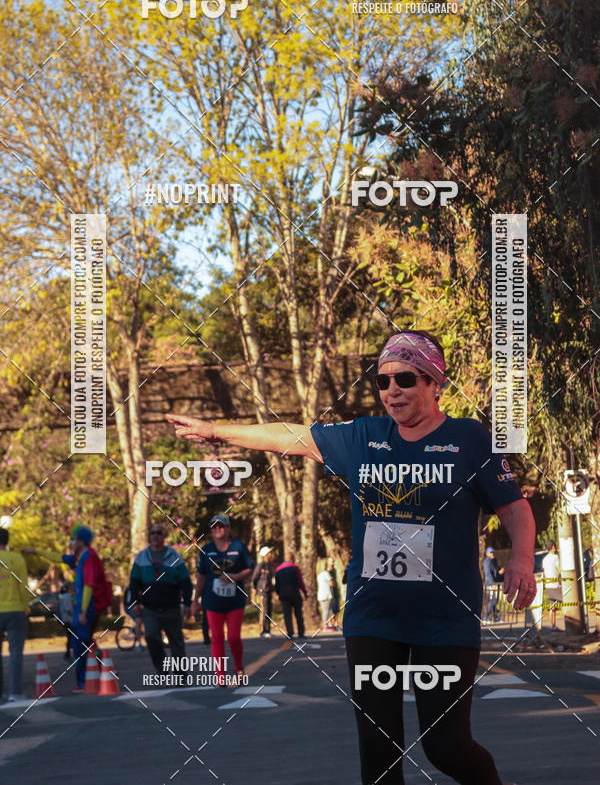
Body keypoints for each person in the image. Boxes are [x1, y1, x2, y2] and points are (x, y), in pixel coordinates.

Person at [168, 329, 535, 785]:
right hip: (372, 618)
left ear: (435, 383)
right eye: (383, 381)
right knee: (379, 756)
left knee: (446, 747)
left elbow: (514, 508)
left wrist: (521, 559)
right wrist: (215, 430)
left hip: (444, 620)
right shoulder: (363, 436)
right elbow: (289, 436)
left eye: (405, 378)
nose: (392, 390)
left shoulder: (470, 439)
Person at [30, 525, 112, 692]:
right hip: (85, 605)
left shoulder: (88, 557)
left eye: (73, 539)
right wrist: (36, 551)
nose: (71, 543)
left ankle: (84, 681)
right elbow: (58, 557)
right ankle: (104, 669)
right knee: (86, 641)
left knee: (79, 642)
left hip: (88, 605)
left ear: (81, 541)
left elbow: (89, 585)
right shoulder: (79, 557)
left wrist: (83, 611)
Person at [192, 514, 253, 685]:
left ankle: (239, 669)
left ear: (228, 528)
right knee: (217, 638)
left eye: (221, 526)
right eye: (214, 527)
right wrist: (195, 601)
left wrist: (235, 576)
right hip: (212, 601)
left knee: (233, 637)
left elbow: (250, 569)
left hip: (235, 601)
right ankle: (220, 676)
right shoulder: (206, 549)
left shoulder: (238, 546)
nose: (217, 529)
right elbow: (201, 577)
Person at [129, 523, 193, 674]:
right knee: (151, 638)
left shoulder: (174, 556)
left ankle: (180, 674)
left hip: (172, 606)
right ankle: (162, 669)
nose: (155, 536)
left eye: (159, 533)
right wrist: (134, 602)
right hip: (150, 608)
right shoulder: (141, 557)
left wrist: (188, 603)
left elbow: (185, 581)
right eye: (153, 533)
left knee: (176, 642)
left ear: (164, 536)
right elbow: (134, 582)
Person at [0, 527, 29, 701]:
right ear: (7, 541)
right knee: (16, 653)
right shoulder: (17, 559)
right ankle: (15, 692)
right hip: (16, 610)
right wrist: (25, 608)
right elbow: (23, 587)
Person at [274, 553, 307, 640]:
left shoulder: (278, 569)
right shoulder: (295, 568)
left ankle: (290, 633)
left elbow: (277, 584)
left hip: (284, 594)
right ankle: (301, 632)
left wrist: (278, 593)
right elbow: (300, 581)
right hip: (294, 593)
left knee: (287, 614)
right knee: (298, 613)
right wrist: (304, 592)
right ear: (292, 558)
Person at [252, 547, 275, 637]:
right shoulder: (260, 565)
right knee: (263, 610)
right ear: (265, 555)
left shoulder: (269, 565)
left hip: (268, 591)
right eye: (269, 553)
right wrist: (255, 588)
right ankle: (263, 630)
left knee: (269, 610)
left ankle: (268, 630)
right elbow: (254, 578)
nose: (271, 554)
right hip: (262, 591)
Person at [542, 540, 562, 631]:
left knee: (552, 606)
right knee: (566, 602)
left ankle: (553, 626)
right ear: (553, 547)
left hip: (548, 585)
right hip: (555, 585)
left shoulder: (545, 559)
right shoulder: (555, 557)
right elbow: (559, 569)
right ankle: (571, 624)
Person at [482, 547, 504, 623]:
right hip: (490, 583)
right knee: (493, 600)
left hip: (494, 582)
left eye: (493, 552)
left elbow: (494, 573)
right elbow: (488, 574)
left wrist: (500, 572)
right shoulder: (487, 561)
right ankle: (486, 617)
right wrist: (493, 584)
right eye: (490, 552)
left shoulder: (493, 561)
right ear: (487, 554)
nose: (492, 554)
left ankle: (495, 617)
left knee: (495, 600)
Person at [123, 582, 145, 651]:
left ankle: (138, 630)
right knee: (138, 620)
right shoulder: (131, 587)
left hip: (132, 606)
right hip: (129, 607)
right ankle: (139, 644)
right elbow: (129, 600)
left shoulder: (135, 587)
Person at [58, 583, 74, 659]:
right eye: (72, 587)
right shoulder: (67, 596)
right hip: (69, 619)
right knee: (72, 636)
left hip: (65, 619)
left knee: (69, 636)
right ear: (69, 588)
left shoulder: (63, 596)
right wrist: (75, 614)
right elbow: (68, 609)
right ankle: (69, 653)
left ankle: (68, 653)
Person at [317, 562, 334, 630]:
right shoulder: (326, 573)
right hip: (327, 595)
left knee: (324, 611)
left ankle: (326, 625)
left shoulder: (319, 574)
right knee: (326, 611)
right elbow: (332, 583)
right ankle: (325, 626)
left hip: (321, 595)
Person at [328, 558, 341, 630]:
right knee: (331, 609)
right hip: (330, 593)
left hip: (336, 592)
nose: (333, 562)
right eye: (332, 561)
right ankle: (331, 624)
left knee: (337, 609)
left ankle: (336, 624)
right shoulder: (327, 572)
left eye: (333, 561)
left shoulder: (335, 570)